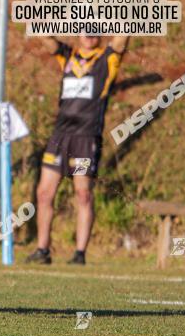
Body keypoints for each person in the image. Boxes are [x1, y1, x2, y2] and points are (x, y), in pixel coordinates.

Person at [26, 34, 129, 265]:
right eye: (84, 29)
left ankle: (80, 253)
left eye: (94, 31)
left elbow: (121, 40)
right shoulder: (68, 55)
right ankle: (43, 250)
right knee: (44, 193)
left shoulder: (106, 59)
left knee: (82, 193)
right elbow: (46, 38)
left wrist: (129, 11)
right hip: (59, 138)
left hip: (85, 138)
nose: (89, 35)